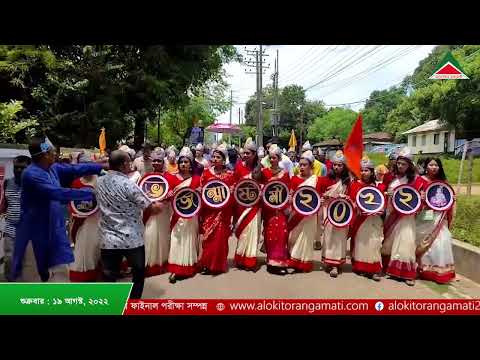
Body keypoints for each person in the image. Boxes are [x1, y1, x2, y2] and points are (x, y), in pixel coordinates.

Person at [12, 137, 104, 282]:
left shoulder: (52, 168)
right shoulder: (31, 174)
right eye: (52, 151)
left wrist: (101, 167)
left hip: (54, 231)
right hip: (34, 236)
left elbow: (74, 169)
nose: (55, 153)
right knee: (35, 278)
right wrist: (92, 193)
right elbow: (57, 193)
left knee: (60, 273)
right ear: (45, 154)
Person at [96, 150, 163, 299]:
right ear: (123, 165)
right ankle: (133, 303)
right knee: (138, 273)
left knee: (108, 276)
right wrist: (158, 204)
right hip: (132, 239)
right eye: (128, 161)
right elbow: (151, 208)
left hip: (108, 239)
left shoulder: (99, 182)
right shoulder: (128, 184)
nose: (130, 164)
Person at [381, 147, 424, 286]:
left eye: (404, 164)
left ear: (410, 165)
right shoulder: (389, 177)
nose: (400, 166)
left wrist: (422, 197)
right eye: (399, 163)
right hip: (390, 213)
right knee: (389, 241)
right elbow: (380, 191)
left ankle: (407, 274)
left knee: (406, 242)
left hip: (406, 216)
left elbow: (420, 198)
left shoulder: (416, 181)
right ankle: (389, 268)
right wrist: (387, 194)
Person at [415, 157, 456, 284]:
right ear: (426, 167)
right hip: (426, 214)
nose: (434, 167)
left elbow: (448, 198)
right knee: (424, 239)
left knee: (441, 241)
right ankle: (422, 269)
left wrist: (453, 198)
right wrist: (420, 197)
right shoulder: (420, 180)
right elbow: (414, 197)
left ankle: (439, 271)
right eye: (431, 165)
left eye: (436, 165)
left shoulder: (443, 182)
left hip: (440, 216)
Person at [199, 143, 236, 275]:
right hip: (209, 211)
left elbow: (233, 194)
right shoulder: (206, 173)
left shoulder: (230, 175)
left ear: (224, 159)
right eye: (213, 157)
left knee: (220, 238)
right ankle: (206, 264)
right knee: (208, 238)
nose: (214, 159)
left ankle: (218, 265)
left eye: (218, 157)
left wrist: (232, 192)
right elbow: (202, 190)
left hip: (223, 213)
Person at [167, 147, 202, 283]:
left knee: (189, 240)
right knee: (176, 241)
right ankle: (175, 270)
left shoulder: (197, 179)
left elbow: (200, 199)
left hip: (191, 216)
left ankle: (188, 266)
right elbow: (167, 195)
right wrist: (168, 194)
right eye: (181, 162)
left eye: (186, 162)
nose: (183, 164)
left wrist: (199, 191)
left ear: (191, 164)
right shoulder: (171, 177)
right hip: (177, 216)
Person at [348, 157, 385, 281]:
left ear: (372, 171)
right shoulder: (354, 185)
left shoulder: (379, 187)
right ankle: (361, 266)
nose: (364, 173)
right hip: (360, 219)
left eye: (366, 170)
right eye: (362, 171)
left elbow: (382, 203)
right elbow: (352, 202)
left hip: (374, 219)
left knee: (374, 243)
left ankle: (374, 269)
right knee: (361, 243)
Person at [68, 151, 102, 282]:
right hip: (82, 222)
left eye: (88, 165)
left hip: (98, 220)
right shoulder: (76, 183)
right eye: (82, 165)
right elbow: (71, 202)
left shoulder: (100, 181)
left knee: (97, 247)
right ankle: (83, 274)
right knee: (83, 248)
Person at [141, 150, 176, 277]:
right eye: (154, 160)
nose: (156, 163)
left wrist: (169, 196)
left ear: (163, 162)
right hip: (150, 212)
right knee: (149, 236)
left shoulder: (170, 177)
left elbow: (178, 193)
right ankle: (148, 264)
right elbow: (140, 194)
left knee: (162, 237)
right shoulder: (146, 178)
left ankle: (162, 263)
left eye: (159, 161)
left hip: (164, 213)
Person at [287, 150, 322, 273]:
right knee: (294, 237)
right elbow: (291, 194)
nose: (301, 167)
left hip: (310, 216)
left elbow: (321, 196)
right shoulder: (294, 179)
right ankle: (292, 259)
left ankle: (303, 263)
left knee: (306, 239)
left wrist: (322, 200)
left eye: (304, 165)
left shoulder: (317, 180)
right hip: (296, 214)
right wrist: (290, 198)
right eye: (300, 164)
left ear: (311, 166)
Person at [318, 150, 351, 278]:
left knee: (339, 237)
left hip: (342, 212)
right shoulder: (326, 180)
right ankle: (328, 260)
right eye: (335, 165)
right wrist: (323, 198)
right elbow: (319, 195)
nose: (337, 167)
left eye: (340, 165)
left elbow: (352, 197)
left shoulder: (348, 181)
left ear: (344, 167)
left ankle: (336, 264)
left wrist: (346, 197)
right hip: (328, 211)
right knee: (329, 236)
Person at [0, 155, 32, 281]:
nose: (18, 170)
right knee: (10, 261)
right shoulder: (7, 183)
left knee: (28, 266)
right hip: (10, 231)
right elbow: (5, 205)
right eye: (16, 167)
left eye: (22, 168)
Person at [233, 138, 262, 271]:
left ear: (254, 154)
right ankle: (240, 257)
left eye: (248, 153)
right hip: (241, 204)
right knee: (243, 231)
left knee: (252, 232)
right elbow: (234, 182)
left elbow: (265, 186)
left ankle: (250, 260)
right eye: (244, 153)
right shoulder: (239, 166)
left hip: (255, 206)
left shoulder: (260, 169)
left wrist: (261, 190)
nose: (245, 155)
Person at [261, 145, 290, 275]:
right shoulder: (264, 172)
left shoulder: (285, 174)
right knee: (270, 235)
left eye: (274, 158)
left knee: (281, 234)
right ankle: (270, 262)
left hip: (281, 210)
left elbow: (288, 191)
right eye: (270, 157)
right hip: (268, 210)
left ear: (279, 158)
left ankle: (279, 261)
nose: (272, 160)